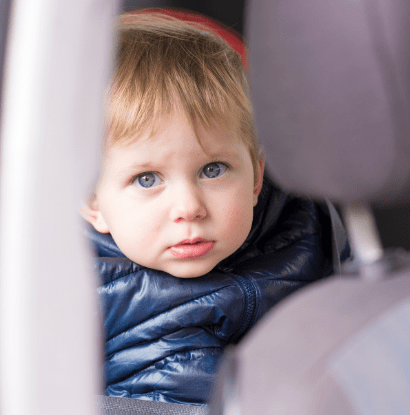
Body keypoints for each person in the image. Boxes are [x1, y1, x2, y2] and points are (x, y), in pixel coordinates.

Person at [82, 10, 349, 406]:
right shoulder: (69, 288)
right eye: (147, 179)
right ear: (92, 201)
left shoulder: (305, 227)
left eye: (212, 169)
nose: (189, 207)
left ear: (256, 177)